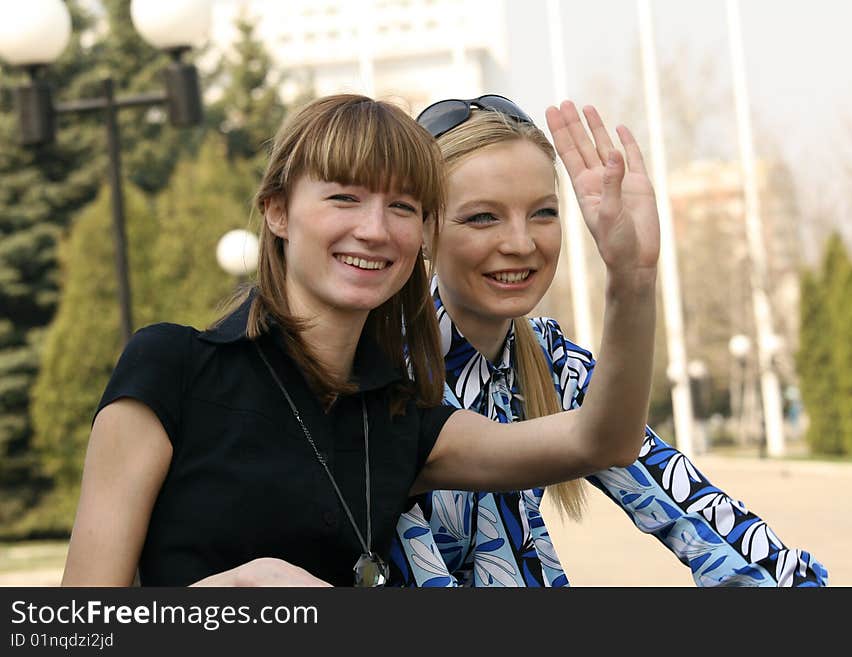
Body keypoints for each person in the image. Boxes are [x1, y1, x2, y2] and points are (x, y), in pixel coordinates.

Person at [61, 93, 660, 587]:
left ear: (423, 232)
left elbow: (600, 440)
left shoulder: (402, 417)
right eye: (344, 197)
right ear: (277, 211)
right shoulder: (171, 367)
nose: (373, 230)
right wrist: (237, 592)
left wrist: (632, 282)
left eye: (401, 206)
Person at [388, 95, 828, 587]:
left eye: (543, 213)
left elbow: (690, 506)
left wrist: (633, 277)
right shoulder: (379, 370)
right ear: (422, 230)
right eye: (482, 217)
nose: (520, 243)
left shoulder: (553, 360)